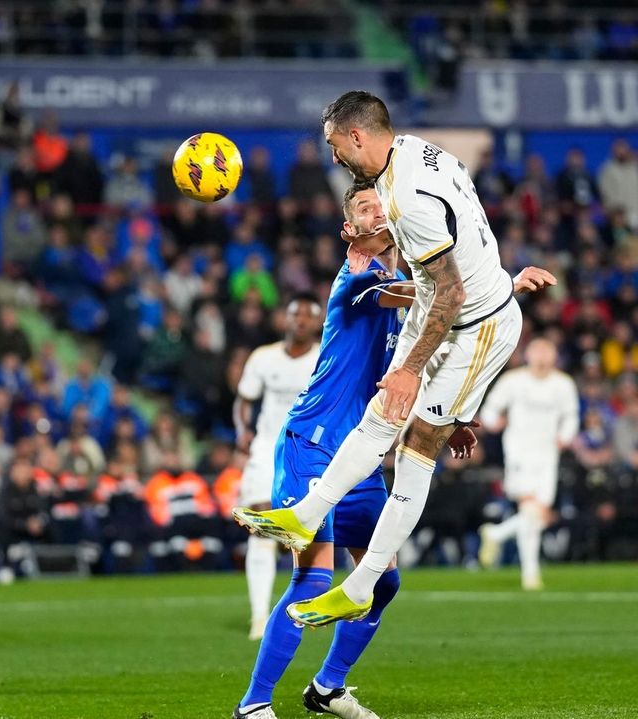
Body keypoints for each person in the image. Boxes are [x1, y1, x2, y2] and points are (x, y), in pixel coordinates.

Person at [233, 183, 557, 719]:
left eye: (380, 204)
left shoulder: (411, 290)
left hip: (362, 457)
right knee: (313, 576)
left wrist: (451, 420)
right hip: (313, 445)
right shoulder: (357, 282)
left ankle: (327, 688)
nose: (377, 210)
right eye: (364, 208)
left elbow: (428, 352)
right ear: (350, 230)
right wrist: (500, 291)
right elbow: (432, 300)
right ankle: (254, 703)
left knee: (383, 581)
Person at [235, 90, 539, 628]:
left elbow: (453, 293)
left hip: (473, 328)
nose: (333, 158)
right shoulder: (420, 152)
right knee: (383, 418)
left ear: (357, 135)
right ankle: (306, 517)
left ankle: (362, 583)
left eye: (333, 145)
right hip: (445, 312)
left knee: (419, 440)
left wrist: (412, 370)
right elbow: (459, 246)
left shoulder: (408, 198)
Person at [233, 295, 322, 640]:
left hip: (309, 452)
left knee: (312, 534)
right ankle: (259, 617)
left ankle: (307, 610)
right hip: (267, 450)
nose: (300, 320)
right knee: (261, 525)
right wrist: (242, 430)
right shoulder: (263, 357)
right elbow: (244, 399)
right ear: (284, 319)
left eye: (308, 315)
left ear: (317, 323)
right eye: (295, 313)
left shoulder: (324, 357)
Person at [478, 337, 579, 590]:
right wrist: (494, 423)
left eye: (548, 351)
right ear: (529, 355)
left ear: (555, 356)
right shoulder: (513, 381)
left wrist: (564, 438)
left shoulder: (563, 384)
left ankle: (496, 534)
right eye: (538, 351)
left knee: (538, 514)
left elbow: (570, 416)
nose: (543, 357)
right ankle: (530, 575)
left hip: (548, 454)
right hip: (519, 453)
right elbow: (490, 410)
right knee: (531, 510)